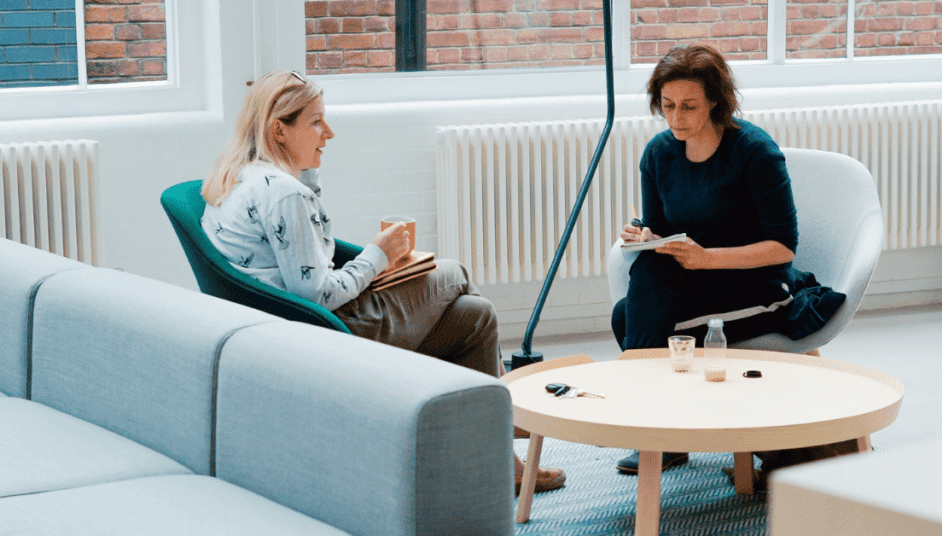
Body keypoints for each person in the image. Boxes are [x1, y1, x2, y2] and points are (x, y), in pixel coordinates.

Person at [200, 70, 564, 496]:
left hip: (291, 329)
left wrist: (310, 177)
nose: (328, 132)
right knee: (455, 272)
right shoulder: (285, 194)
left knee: (476, 316)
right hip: (331, 331)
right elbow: (315, 292)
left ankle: (498, 458)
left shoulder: (244, 177)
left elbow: (306, 261)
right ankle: (507, 413)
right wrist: (377, 255)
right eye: (316, 122)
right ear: (279, 130)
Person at [610, 45, 857, 485]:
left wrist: (707, 259)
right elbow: (662, 230)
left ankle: (653, 424)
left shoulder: (754, 152)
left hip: (757, 286)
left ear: (714, 101)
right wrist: (645, 237)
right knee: (626, 308)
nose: (676, 118)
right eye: (667, 105)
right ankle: (663, 425)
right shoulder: (659, 154)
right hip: (697, 284)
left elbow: (783, 247)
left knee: (632, 314)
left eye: (689, 105)